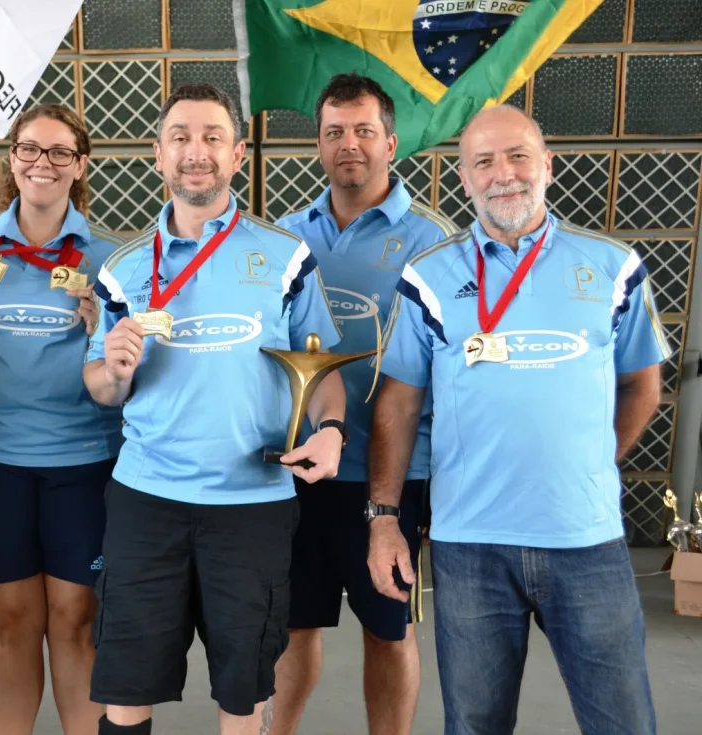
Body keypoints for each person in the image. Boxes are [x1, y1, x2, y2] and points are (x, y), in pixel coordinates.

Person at [369, 104, 667, 735]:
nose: (503, 174)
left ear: (546, 165)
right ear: (463, 178)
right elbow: (397, 403)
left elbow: (642, 383)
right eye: (483, 162)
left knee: (624, 722)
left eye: (517, 156)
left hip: (586, 542)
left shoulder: (614, 268)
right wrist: (384, 519)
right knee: (475, 724)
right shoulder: (428, 278)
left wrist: (589, 459)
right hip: (469, 546)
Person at [82, 82, 347, 735]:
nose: (195, 152)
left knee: (243, 687)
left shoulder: (285, 257)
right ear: (158, 154)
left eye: (211, 138)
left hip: (252, 504)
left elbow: (323, 373)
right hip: (146, 500)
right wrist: (113, 370)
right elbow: (99, 387)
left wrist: (333, 430)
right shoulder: (121, 270)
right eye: (180, 137)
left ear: (236, 156)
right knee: (126, 684)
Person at [270, 73, 457, 735]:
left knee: (388, 628)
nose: (349, 143)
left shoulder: (434, 242)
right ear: (319, 144)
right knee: (293, 626)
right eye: (334, 132)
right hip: (300, 469)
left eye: (364, 130)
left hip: (392, 475)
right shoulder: (284, 238)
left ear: (391, 142)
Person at [0, 103, 125, 735]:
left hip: (84, 460)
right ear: (12, 158)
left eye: (58, 153)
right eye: (29, 149)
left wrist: (103, 325)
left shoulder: (109, 258)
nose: (41, 163)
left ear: (79, 167)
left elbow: (128, 369)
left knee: (75, 621)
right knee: (14, 624)